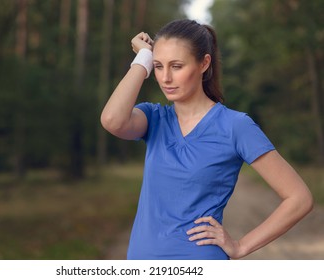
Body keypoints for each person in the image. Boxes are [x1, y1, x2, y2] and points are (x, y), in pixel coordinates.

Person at [100, 19, 313, 260]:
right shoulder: (154, 118)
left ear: (204, 63)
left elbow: (299, 199)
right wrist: (144, 59)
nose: (165, 78)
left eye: (177, 66)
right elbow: (112, 120)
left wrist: (241, 246)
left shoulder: (235, 126)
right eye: (159, 66)